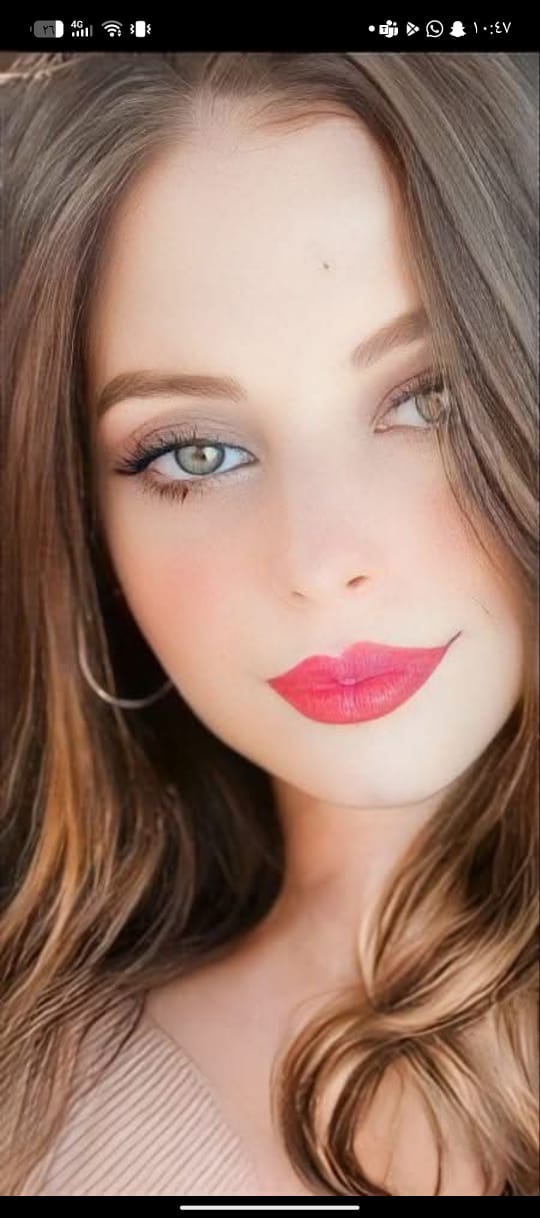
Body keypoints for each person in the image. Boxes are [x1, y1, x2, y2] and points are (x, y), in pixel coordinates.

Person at [1, 50, 537, 1198]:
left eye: (428, 397)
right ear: (87, 533)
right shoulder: (43, 1131)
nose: (319, 561)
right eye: (197, 452)